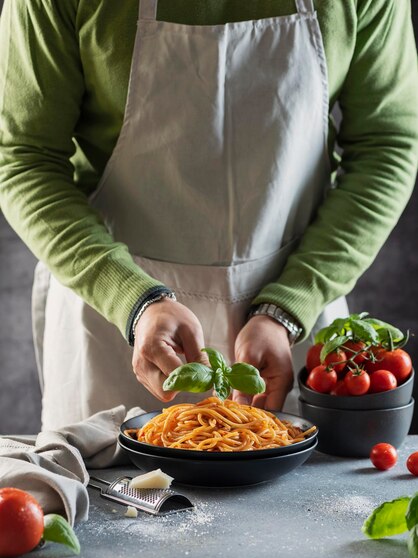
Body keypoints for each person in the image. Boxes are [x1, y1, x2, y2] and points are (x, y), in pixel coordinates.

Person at [0, 0, 417, 430]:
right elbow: (22, 158)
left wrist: (291, 305)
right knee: (116, 496)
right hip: (112, 326)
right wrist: (133, 300)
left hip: (294, 319)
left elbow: (387, 146)